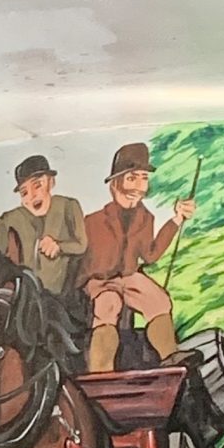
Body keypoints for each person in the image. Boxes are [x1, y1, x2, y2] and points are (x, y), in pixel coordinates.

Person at [81, 141, 197, 371]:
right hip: (100, 280)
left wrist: (176, 220)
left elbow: (151, 255)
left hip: (130, 276)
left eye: (143, 178)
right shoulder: (93, 221)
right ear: (116, 184)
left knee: (159, 299)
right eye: (132, 178)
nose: (138, 185)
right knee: (108, 305)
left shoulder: (146, 218)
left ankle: (169, 356)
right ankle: (100, 371)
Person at [0, 154, 87, 298]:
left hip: (62, 296)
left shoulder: (68, 206)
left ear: (51, 182)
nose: (32, 196)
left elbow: (82, 244)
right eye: (24, 192)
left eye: (37, 186)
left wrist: (59, 246)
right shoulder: (8, 220)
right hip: (23, 298)